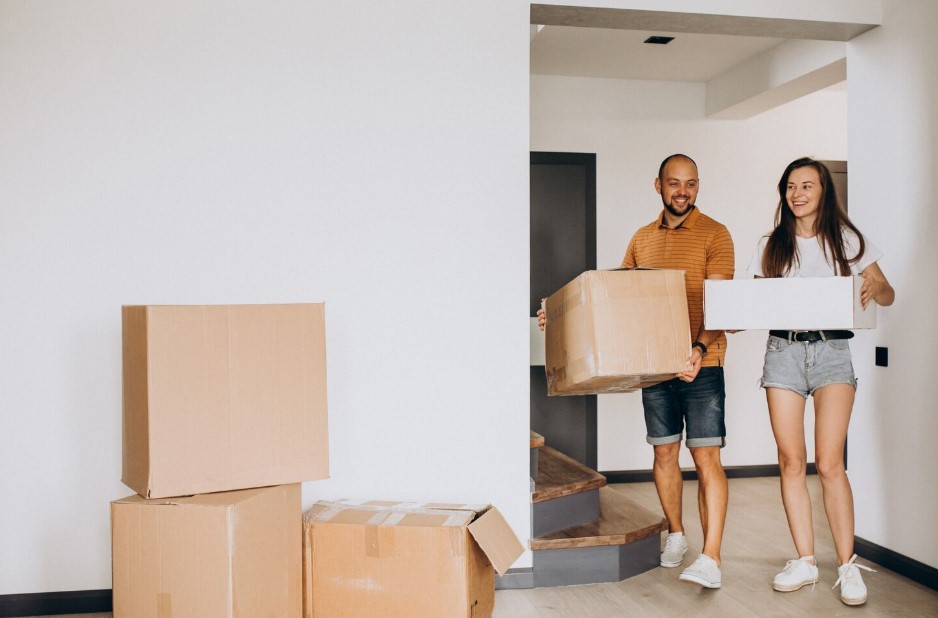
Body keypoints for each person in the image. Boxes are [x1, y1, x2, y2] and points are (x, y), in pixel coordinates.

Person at [539, 154, 735, 589]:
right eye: (673, 183)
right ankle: (677, 535)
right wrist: (557, 315)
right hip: (656, 367)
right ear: (658, 186)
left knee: (706, 458)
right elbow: (618, 298)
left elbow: (723, 305)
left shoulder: (716, 234)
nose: (682, 191)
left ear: (697, 187)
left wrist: (699, 349)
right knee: (664, 452)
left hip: (703, 364)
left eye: (690, 184)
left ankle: (712, 556)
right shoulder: (642, 238)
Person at [748, 157, 894, 606]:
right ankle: (805, 561)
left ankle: (847, 566)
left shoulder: (848, 240)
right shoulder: (770, 244)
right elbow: (756, 302)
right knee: (791, 460)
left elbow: (887, 294)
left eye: (807, 186)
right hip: (783, 352)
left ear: (823, 191)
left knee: (830, 462)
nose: (797, 194)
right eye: (791, 186)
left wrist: (872, 288)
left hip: (832, 352)